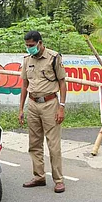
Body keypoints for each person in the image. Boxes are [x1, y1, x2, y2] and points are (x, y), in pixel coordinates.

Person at [18, 31, 67, 193]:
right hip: (32, 104)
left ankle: (58, 180)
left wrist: (62, 106)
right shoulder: (27, 60)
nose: (28, 48)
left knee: (53, 145)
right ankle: (39, 176)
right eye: (26, 45)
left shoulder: (53, 58)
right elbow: (24, 85)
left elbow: (62, 83)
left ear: (40, 43)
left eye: (31, 45)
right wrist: (21, 109)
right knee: (34, 144)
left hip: (50, 104)